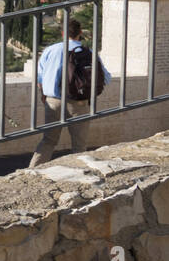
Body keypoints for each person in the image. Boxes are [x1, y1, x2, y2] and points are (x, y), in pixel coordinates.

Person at [27, 18, 111, 167]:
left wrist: (44, 94)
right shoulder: (88, 52)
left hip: (53, 101)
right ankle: (77, 174)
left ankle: (31, 171)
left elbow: (40, 77)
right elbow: (106, 78)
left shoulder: (50, 50)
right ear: (80, 33)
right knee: (79, 145)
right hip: (78, 102)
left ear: (63, 33)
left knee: (48, 140)